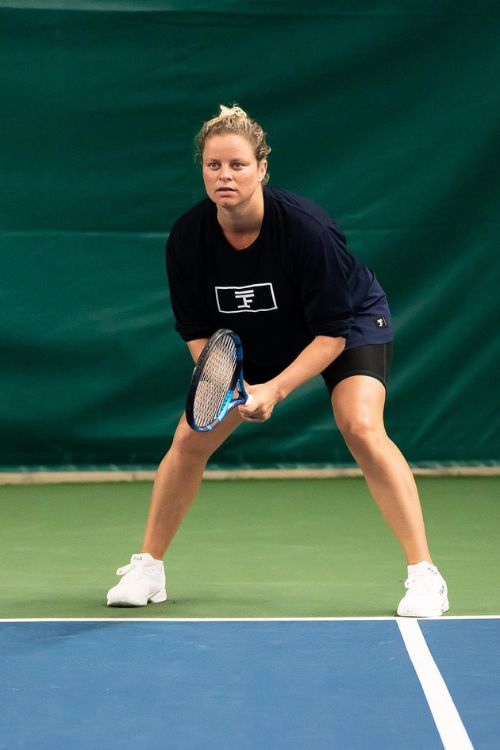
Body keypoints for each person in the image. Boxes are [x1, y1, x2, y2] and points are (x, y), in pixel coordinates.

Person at [107, 104, 449, 617]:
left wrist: (275, 390)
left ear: (262, 168)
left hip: (343, 327)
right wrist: (224, 381)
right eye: (213, 165)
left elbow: (331, 335)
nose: (224, 175)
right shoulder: (187, 238)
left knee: (360, 425)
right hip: (250, 335)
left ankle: (425, 575)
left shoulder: (307, 229)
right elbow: (198, 331)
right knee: (188, 440)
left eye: (238, 165)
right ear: (202, 168)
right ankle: (148, 567)